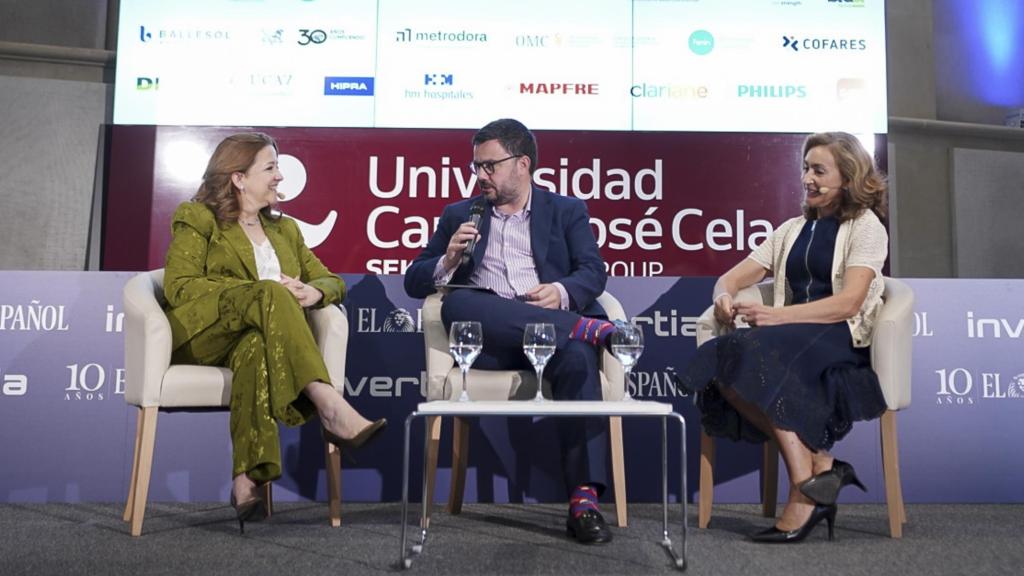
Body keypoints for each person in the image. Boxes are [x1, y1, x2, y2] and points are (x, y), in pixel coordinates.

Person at [405, 118, 621, 545]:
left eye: (490, 166)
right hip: (494, 338)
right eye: (476, 167)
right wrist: (448, 261)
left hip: (552, 341)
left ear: (522, 164)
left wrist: (560, 292)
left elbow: (593, 271)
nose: (480, 176)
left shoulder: (565, 210)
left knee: (578, 358)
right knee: (461, 302)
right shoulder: (459, 215)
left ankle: (584, 502)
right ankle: (585, 328)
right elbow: (414, 282)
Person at [163, 132, 386, 533]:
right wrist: (256, 295)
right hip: (205, 337)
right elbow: (180, 287)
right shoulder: (197, 218)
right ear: (238, 178)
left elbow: (332, 280)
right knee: (270, 292)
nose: (280, 177)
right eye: (270, 168)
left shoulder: (286, 232)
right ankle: (329, 405)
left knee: (255, 346)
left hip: (250, 342)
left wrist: (313, 290)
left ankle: (247, 479)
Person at [674, 131, 889, 543]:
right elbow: (734, 277)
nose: (808, 178)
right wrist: (722, 296)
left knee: (751, 353)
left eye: (819, 171)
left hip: (837, 337)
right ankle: (814, 473)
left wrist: (776, 316)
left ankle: (803, 495)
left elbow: (849, 303)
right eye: (806, 169)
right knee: (722, 358)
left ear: (847, 177)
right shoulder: (792, 228)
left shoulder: (866, 227)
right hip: (789, 334)